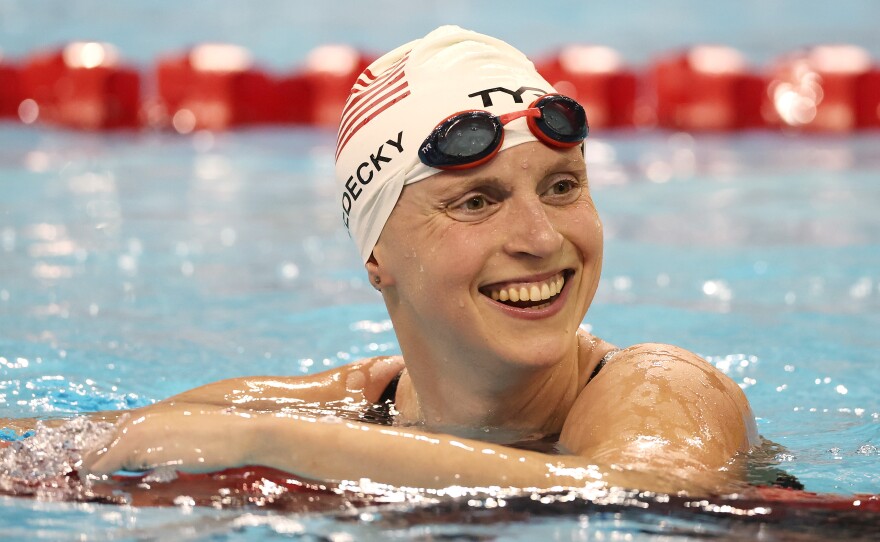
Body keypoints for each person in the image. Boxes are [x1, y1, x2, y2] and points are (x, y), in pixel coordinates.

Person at [5, 26, 758, 495]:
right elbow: (59, 444)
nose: (539, 236)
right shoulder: (359, 401)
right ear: (376, 257)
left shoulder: (659, 386)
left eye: (563, 187)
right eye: (476, 201)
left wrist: (268, 445)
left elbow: (652, 493)